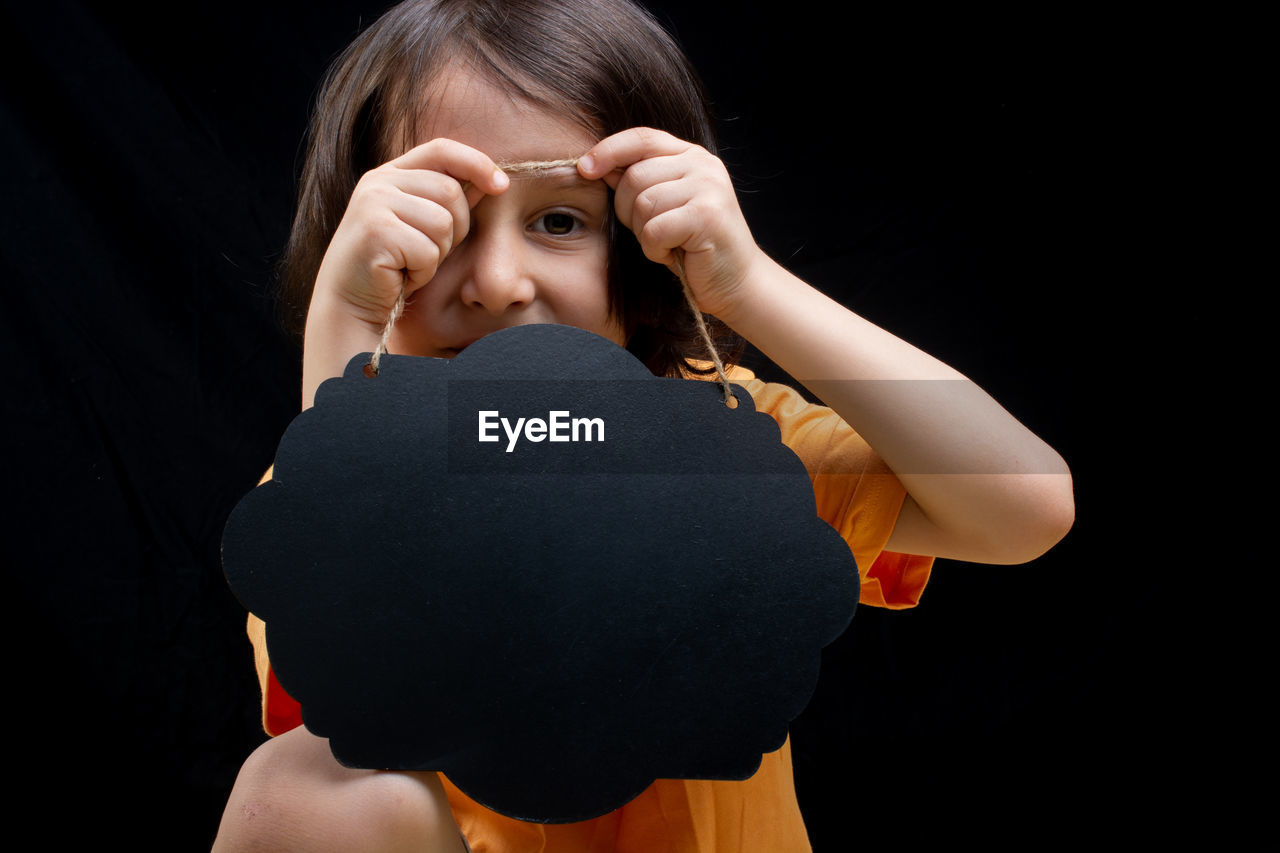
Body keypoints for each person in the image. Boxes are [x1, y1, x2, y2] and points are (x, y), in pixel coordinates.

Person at [213, 0, 1074, 850]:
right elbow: (363, 648)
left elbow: (1024, 507)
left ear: (641, 252)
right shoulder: (318, 500)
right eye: (440, 223)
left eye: (560, 221)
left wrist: (748, 286)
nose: (498, 281)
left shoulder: (724, 442)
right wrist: (345, 328)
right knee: (301, 788)